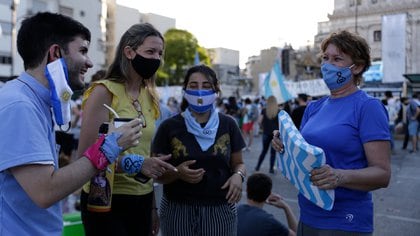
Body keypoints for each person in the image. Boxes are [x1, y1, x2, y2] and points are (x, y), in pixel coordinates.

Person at [0, 12, 144, 235]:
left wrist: (120, 160)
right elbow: (45, 191)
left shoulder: (30, 100)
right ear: (56, 53)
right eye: (83, 51)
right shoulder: (21, 105)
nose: (89, 62)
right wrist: (109, 147)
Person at [272, 30, 391, 235]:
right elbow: (305, 152)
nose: (327, 65)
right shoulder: (313, 107)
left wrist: (340, 176)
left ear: (358, 67)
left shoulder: (368, 107)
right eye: (325, 58)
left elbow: (382, 174)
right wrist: (284, 143)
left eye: (337, 59)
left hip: (345, 220)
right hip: (308, 213)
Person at [77, 23, 176, 236]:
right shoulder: (104, 92)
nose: (156, 58)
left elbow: (144, 153)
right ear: (129, 52)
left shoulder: (150, 96)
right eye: (150, 51)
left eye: (160, 53)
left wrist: (152, 207)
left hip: (141, 198)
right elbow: (85, 155)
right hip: (106, 199)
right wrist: (136, 164)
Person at [151, 64, 247, 236]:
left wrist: (238, 176)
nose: (200, 91)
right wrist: (177, 173)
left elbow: (239, 163)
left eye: (206, 86)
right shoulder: (169, 126)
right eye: (193, 86)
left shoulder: (228, 124)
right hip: (177, 210)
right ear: (185, 91)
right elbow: (156, 173)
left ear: (216, 91)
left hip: (220, 210)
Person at [255, 95, 280, 174]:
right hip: (275, 134)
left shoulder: (264, 110)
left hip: (266, 132)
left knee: (264, 151)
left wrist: (263, 127)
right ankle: (271, 169)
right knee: (273, 152)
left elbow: (259, 121)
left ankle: (258, 166)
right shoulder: (279, 111)